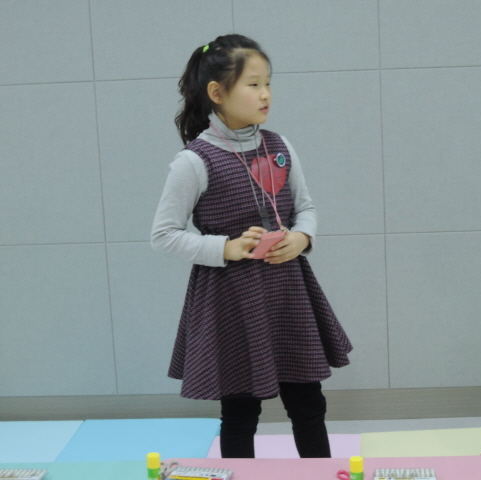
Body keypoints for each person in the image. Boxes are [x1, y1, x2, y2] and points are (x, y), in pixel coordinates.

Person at [151, 34, 352, 459]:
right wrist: (224, 248)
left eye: (268, 83)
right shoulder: (194, 160)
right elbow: (163, 234)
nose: (265, 94)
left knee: (308, 403)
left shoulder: (279, 146)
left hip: (288, 292)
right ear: (217, 93)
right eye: (254, 84)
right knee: (241, 411)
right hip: (232, 299)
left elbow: (306, 207)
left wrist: (302, 237)